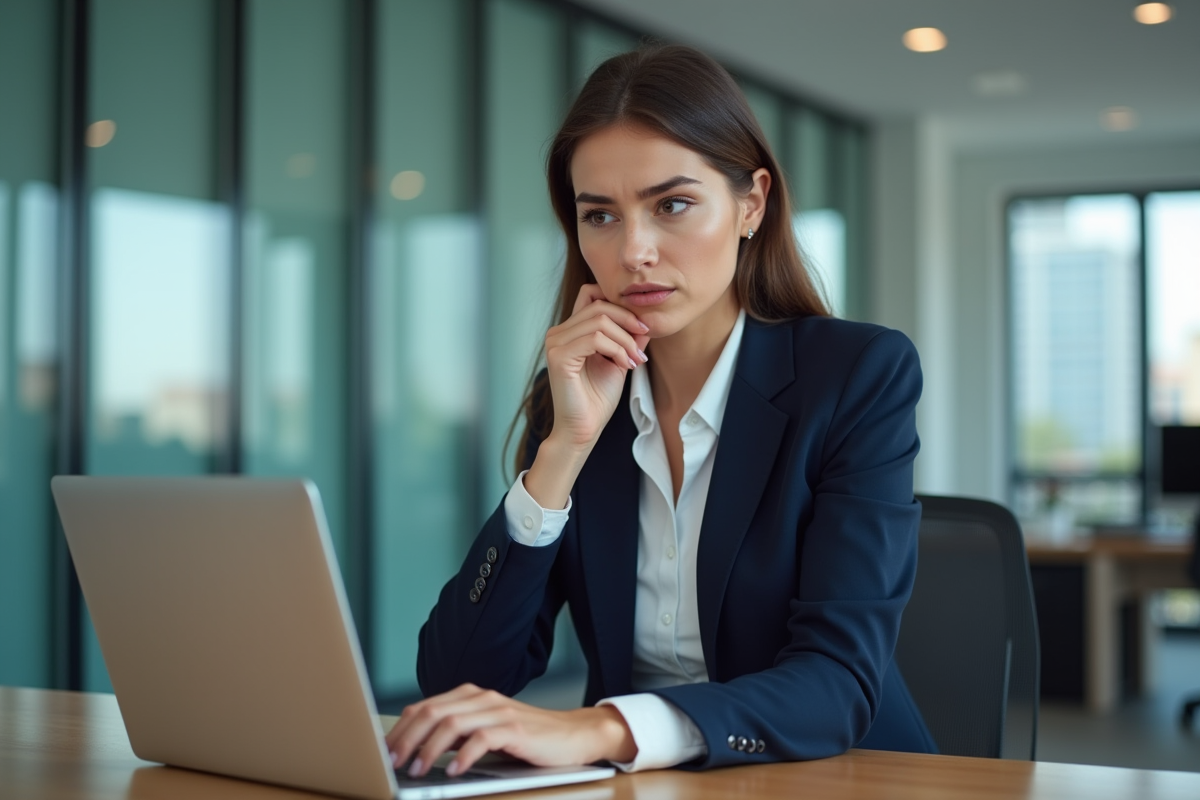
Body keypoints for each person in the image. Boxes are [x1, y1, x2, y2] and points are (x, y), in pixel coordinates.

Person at [386, 43, 935, 777]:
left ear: (751, 204)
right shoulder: (584, 395)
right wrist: (563, 452)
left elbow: (837, 684)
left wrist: (602, 730)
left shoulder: (856, 375)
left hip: (839, 778)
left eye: (671, 205)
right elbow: (459, 675)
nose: (634, 250)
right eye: (600, 216)